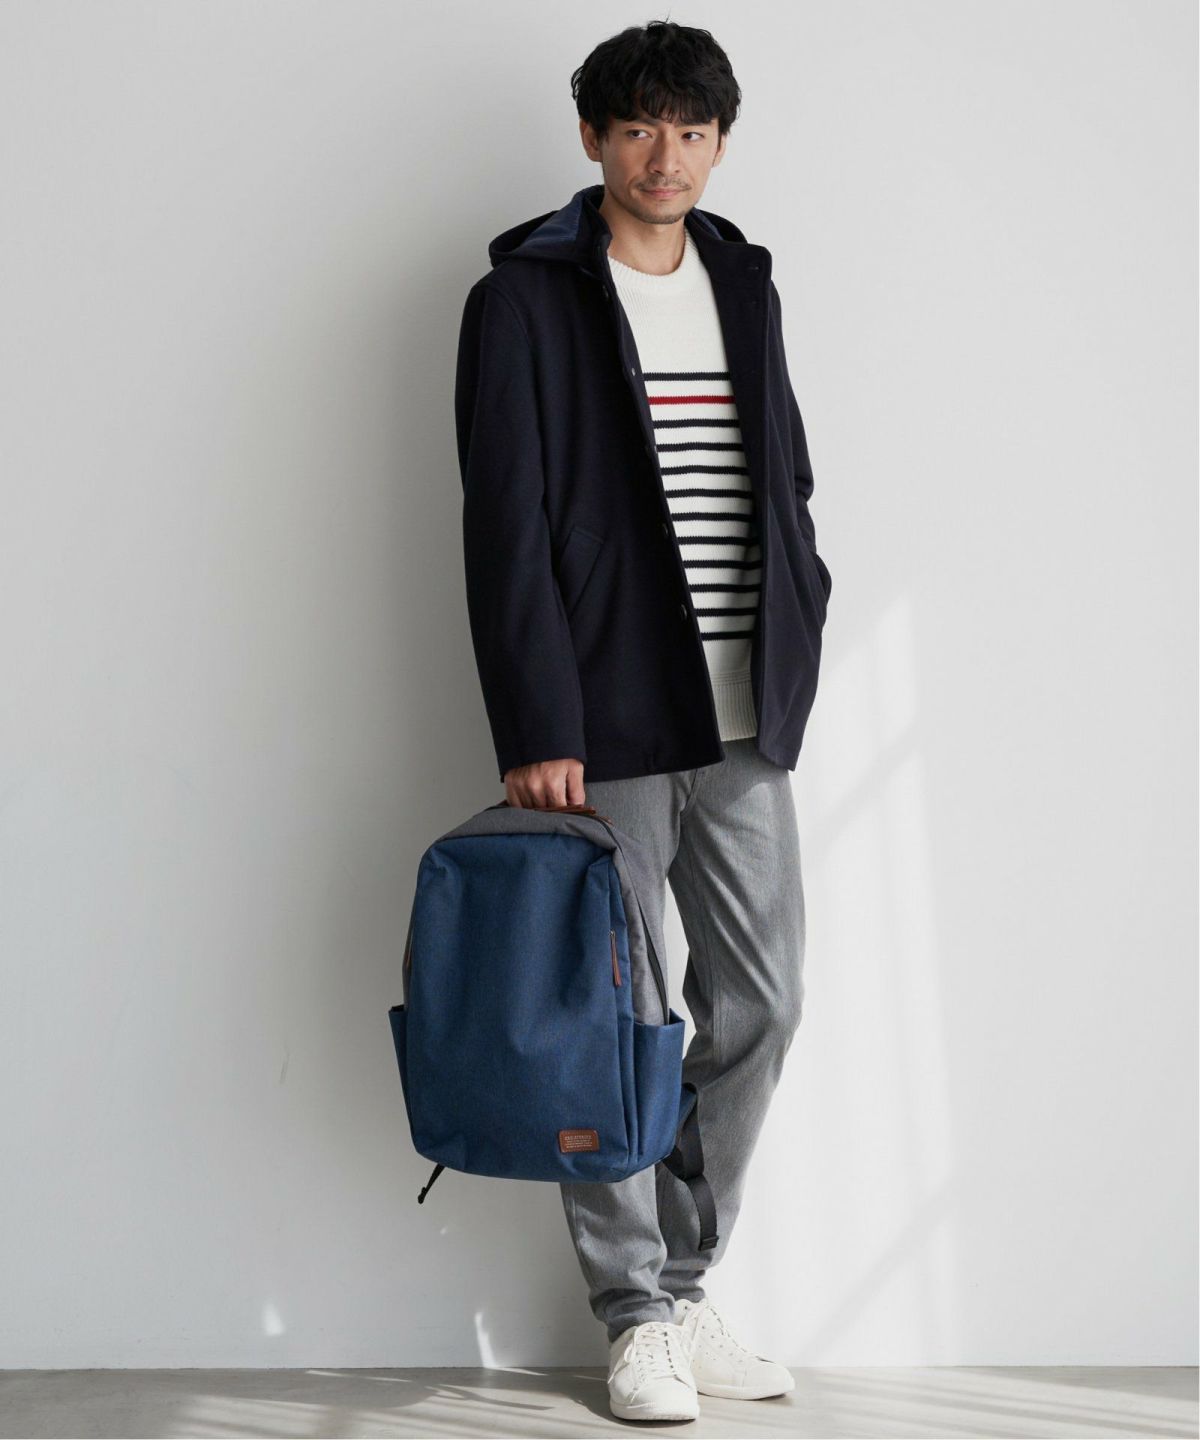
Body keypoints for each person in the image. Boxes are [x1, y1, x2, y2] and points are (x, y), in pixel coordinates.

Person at [453, 19, 832, 1423]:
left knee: (761, 1002)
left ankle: (681, 1280)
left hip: (744, 709)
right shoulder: (524, 298)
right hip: (604, 714)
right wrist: (536, 720)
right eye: (636, 128)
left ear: (720, 142)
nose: (663, 155)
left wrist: (804, 608)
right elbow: (506, 529)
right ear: (593, 139)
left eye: (690, 130)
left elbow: (782, 472)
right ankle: (635, 1318)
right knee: (617, 1016)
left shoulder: (745, 278)